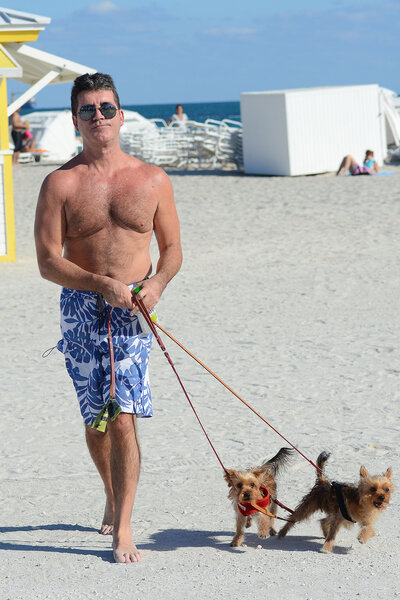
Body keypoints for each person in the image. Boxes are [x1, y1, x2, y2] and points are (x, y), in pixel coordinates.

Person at [34, 73, 182, 563]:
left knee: (123, 416)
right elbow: (47, 261)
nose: (97, 117)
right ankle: (112, 491)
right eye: (87, 110)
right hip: (81, 308)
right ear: (75, 120)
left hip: (135, 311)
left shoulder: (152, 179)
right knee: (96, 419)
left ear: (120, 114)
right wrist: (99, 284)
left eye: (105, 108)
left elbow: (173, 249)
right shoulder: (60, 183)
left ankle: (124, 526)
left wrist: (157, 284)